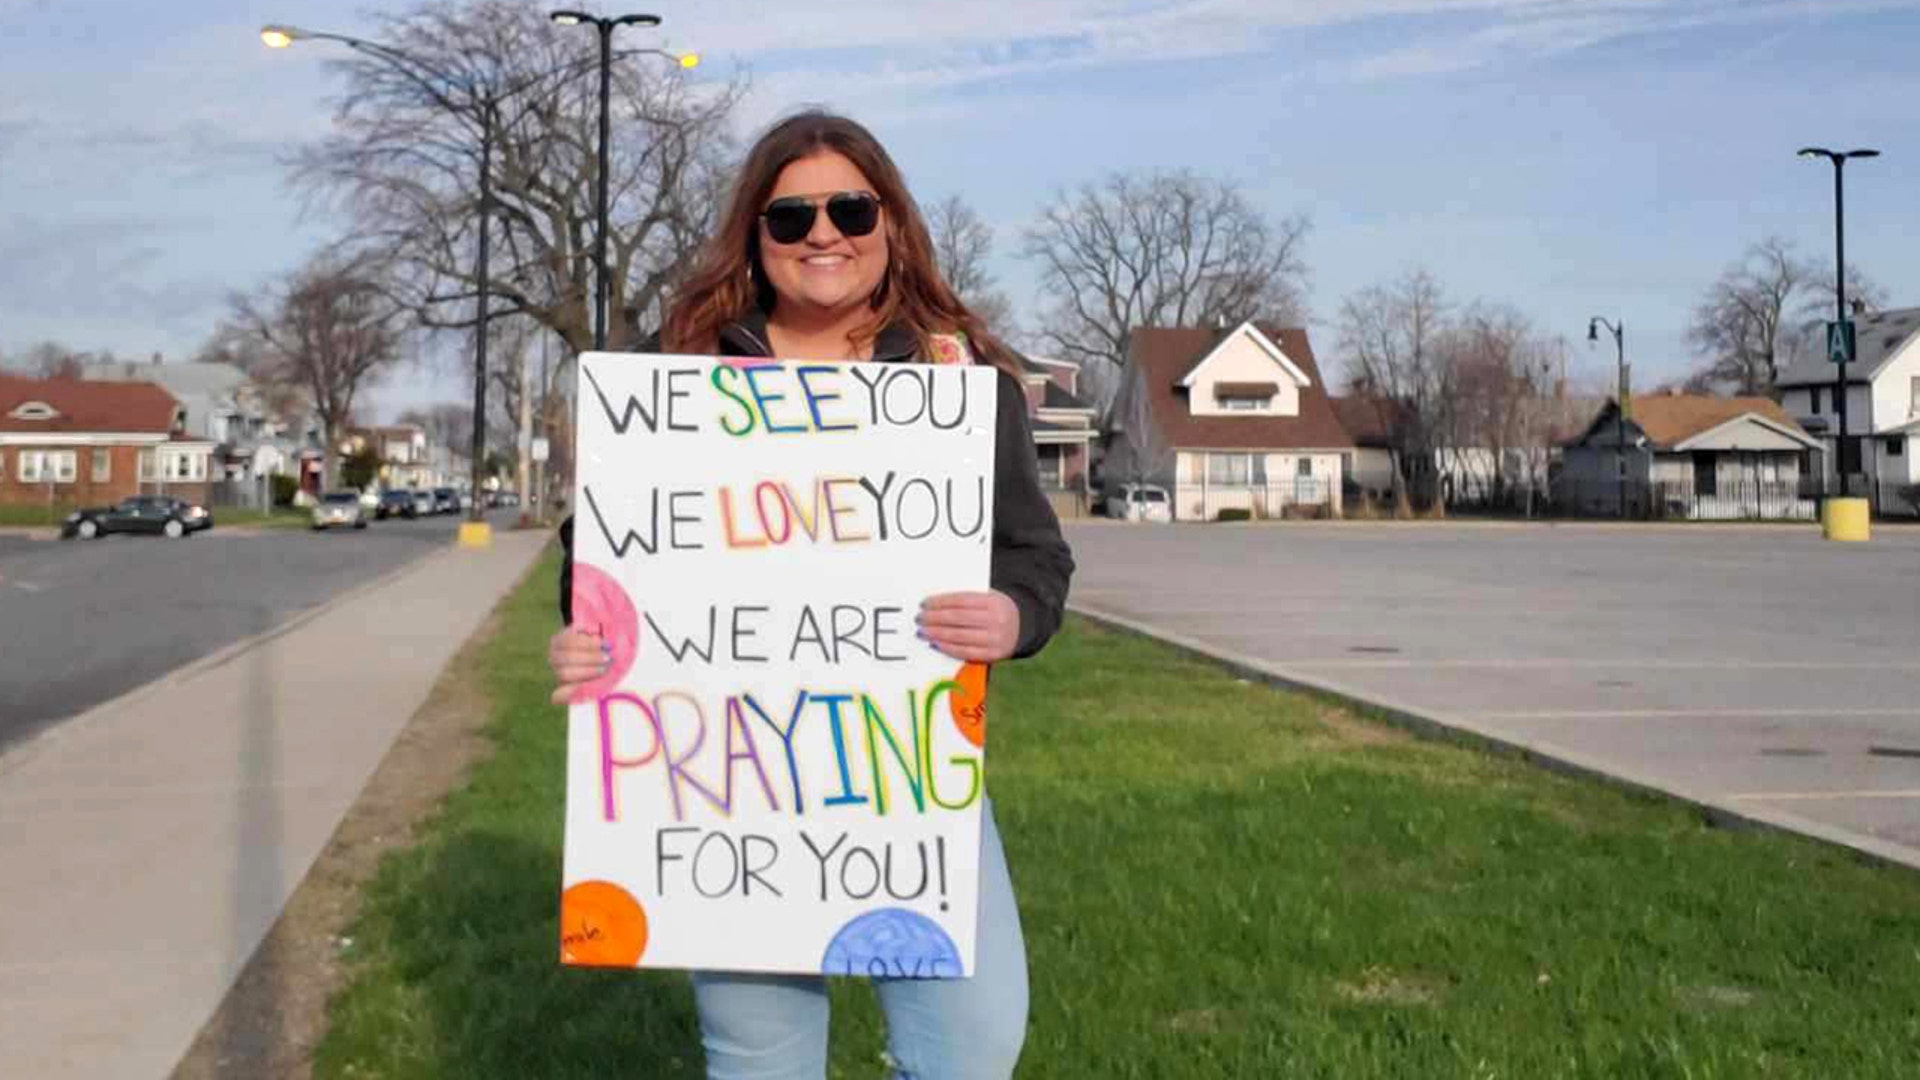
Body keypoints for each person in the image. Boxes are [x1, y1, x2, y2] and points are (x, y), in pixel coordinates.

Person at [546, 110, 1075, 1080]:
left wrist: (1013, 616)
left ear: (891, 226)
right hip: (722, 783)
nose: (823, 234)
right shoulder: (686, 382)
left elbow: (1036, 558)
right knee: (760, 1061)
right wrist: (587, 634)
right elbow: (600, 556)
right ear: (757, 238)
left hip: (909, 771)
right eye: (790, 219)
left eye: (849, 209)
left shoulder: (959, 386)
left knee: (974, 1041)